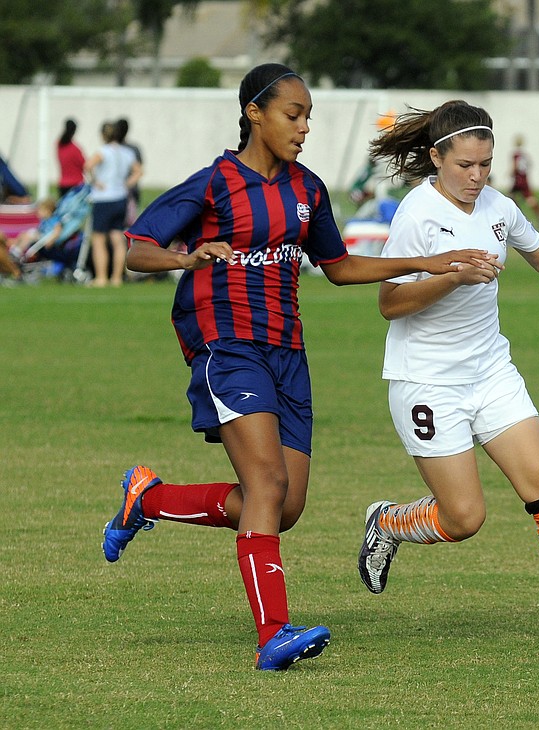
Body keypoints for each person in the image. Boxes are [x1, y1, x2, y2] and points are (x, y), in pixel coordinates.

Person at [99, 64, 494, 672]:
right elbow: (136, 251)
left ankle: (148, 500)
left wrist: (433, 261)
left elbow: (338, 267)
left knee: (284, 507)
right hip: (227, 347)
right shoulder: (213, 183)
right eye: (293, 114)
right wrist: (188, 255)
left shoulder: (307, 190)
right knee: (267, 487)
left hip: (289, 353)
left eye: (309, 116)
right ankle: (273, 635)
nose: (304, 127)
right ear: (254, 113)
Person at [355, 100, 539, 633]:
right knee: (464, 519)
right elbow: (389, 304)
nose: (477, 176)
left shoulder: (498, 209)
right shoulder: (416, 215)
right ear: (437, 158)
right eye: (465, 166)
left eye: (485, 164)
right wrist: (451, 277)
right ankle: (388, 521)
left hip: (491, 373)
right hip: (427, 383)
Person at [84, 121, 142, 287]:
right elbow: (139, 171)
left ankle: (101, 277)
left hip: (103, 198)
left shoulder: (103, 151)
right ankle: (117, 277)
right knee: (117, 237)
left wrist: (95, 181)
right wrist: (127, 183)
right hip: (120, 198)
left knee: (99, 239)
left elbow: (87, 166)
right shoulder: (127, 152)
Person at [509, 134, 539, 228]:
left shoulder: (516, 154)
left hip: (518, 180)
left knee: (510, 198)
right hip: (524, 178)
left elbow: (515, 165)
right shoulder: (525, 154)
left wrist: (511, 173)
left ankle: (519, 218)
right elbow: (529, 164)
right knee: (530, 199)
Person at [113, 118, 144, 225]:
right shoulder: (133, 149)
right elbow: (139, 169)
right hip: (130, 189)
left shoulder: (112, 149)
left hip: (118, 189)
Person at [57, 119, 86, 197]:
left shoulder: (59, 145)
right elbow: (84, 165)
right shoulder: (75, 149)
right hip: (76, 184)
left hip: (63, 183)